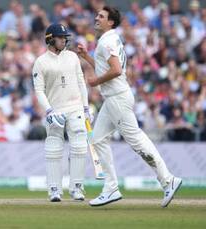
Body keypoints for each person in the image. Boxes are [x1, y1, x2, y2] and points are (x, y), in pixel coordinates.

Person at [77, 6, 182, 207]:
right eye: (97, 15)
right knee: (98, 139)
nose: (96, 18)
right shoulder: (110, 38)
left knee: (136, 140)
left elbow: (116, 70)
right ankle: (111, 188)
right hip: (114, 98)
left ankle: (168, 180)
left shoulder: (107, 41)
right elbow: (108, 66)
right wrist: (86, 58)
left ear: (111, 22)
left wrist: (96, 81)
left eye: (101, 16)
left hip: (117, 97)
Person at [32, 24, 90, 202]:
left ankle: (77, 188)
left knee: (80, 146)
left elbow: (81, 83)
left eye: (65, 37)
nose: (64, 40)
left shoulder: (72, 57)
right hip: (55, 110)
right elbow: (39, 90)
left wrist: (86, 108)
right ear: (50, 39)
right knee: (53, 149)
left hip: (75, 107)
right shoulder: (41, 62)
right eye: (60, 37)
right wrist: (49, 111)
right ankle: (54, 189)